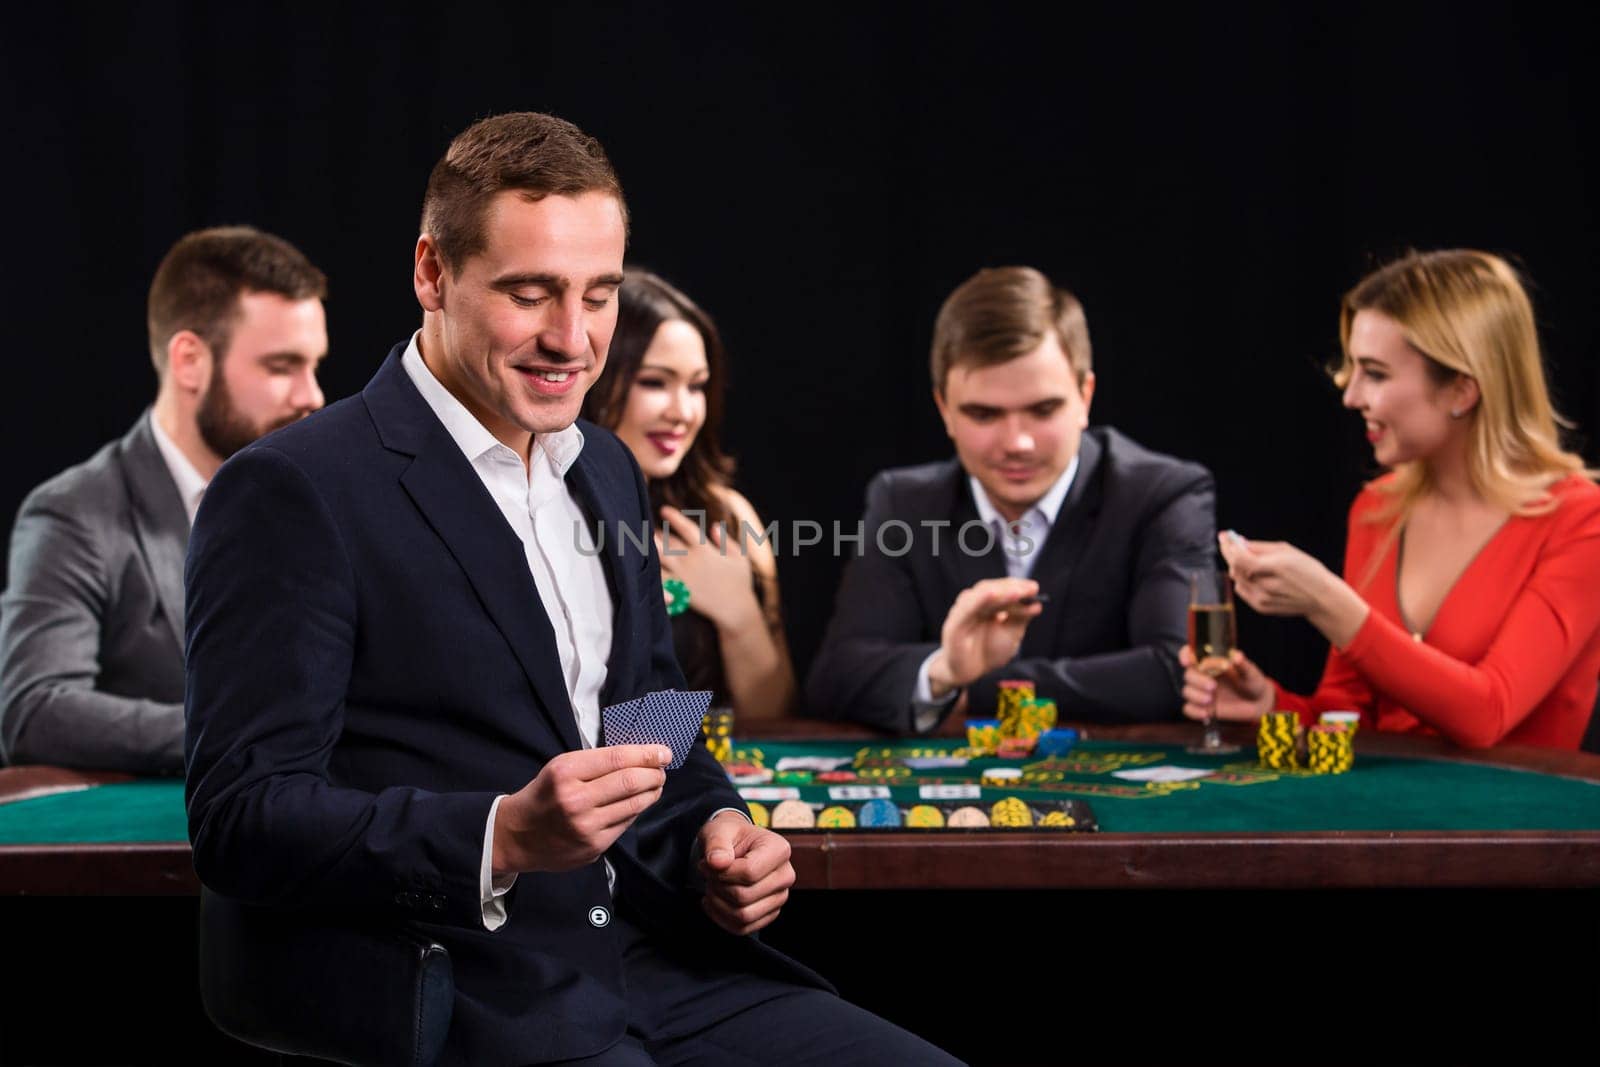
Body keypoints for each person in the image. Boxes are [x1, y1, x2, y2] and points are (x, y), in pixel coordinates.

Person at [184, 112, 958, 1065]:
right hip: (470, 997)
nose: (573, 338)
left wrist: (720, 831)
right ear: (431, 273)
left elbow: (651, 728)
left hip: (662, 967)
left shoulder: (605, 467)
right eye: (530, 292)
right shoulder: (291, 489)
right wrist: (501, 834)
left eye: (600, 295)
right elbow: (241, 820)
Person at [1183, 249, 1600, 749]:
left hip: (1518, 823)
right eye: (1353, 369)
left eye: (1375, 373)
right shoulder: (1377, 509)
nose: (1350, 395)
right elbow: (1347, 720)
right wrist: (1269, 704)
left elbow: (1488, 712)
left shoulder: (1580, 519)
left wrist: (1327, 603)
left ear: (1461, 392)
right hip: (1387, 821)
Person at [807, 265, 1216, 733]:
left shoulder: (1163, 493)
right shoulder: (902, 501)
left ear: (1085, 396)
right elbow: (837, 676)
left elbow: (1174, 672)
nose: (1017, 442)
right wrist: (943, 670)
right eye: (984, 414)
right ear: (944, 409)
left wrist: (966, 683)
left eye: (1043, 410)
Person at [0, 226, 327, 772]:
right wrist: (243, 735)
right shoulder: (73, 513)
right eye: (281, 366)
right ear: (189, 361)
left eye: (314, 364)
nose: (312, 394)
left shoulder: (317, 500)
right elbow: (34, 711)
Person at [580, 269, 795, 719]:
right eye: (655, 383)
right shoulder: (544, 510)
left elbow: (771, 716)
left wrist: (740, 616)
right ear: (595, 377)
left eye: (696, 386)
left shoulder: (729, 515)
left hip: (710, 782)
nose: (683, 412)